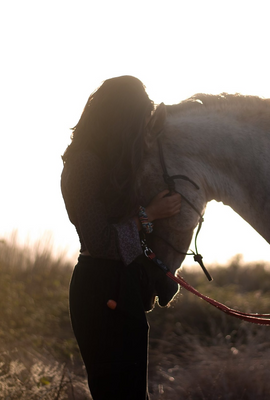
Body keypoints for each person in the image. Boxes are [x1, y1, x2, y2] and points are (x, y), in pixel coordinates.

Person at [61, 76, 181, 399]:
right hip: (99, 290)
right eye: (137, 121)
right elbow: (100, 241)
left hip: (116, 287)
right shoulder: (84, 164)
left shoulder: (106, 164)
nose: (140, 131)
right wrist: (149, 215)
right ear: (121, 118)